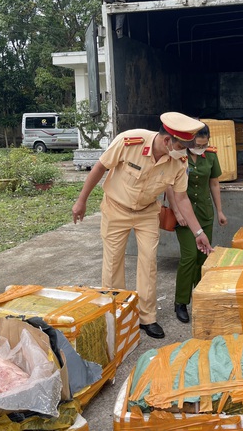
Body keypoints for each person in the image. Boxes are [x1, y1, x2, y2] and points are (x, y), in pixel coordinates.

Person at [71, 112, 214, 340]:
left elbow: (182, 198)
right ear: (167, 140)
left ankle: (147, 318)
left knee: (148, 263)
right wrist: (81, 200)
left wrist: (198, 232)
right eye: (182, 145)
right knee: (113, 263)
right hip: (116, 208)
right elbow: (100, 167)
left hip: (147, 212)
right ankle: (117, 312)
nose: (184, 151)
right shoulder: (130, 141)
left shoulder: (178, 162)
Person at [166, 124, 227, 323]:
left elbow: (214, 183)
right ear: (189, 141)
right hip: (183, 214)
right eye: (198, 144)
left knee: (203, 259)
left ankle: (201, 299)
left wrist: (219, 211)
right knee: (189, 256)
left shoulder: (210, 155)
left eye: (205, 144)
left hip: (204, 212)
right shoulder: (177, 155)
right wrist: (176, 211)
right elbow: (169, 185)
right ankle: (181, 302)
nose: (201, 147)